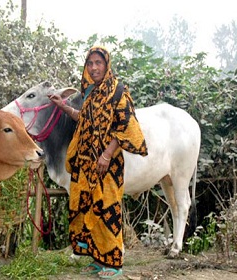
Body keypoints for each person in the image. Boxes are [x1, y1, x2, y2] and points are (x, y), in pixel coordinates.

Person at [48, 46, 148, 278]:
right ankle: (98, 258)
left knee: (107, 209)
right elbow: (83, 119)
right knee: (87, 207)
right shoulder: (91, 93)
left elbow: (126, 127)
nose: (93, 68)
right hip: (85, 163)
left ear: (106, 65)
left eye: (98, 63)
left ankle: (113, 263)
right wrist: (63, 106)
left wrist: (106, 154)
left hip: (107, 165)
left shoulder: (118, 91)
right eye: (90, 63)